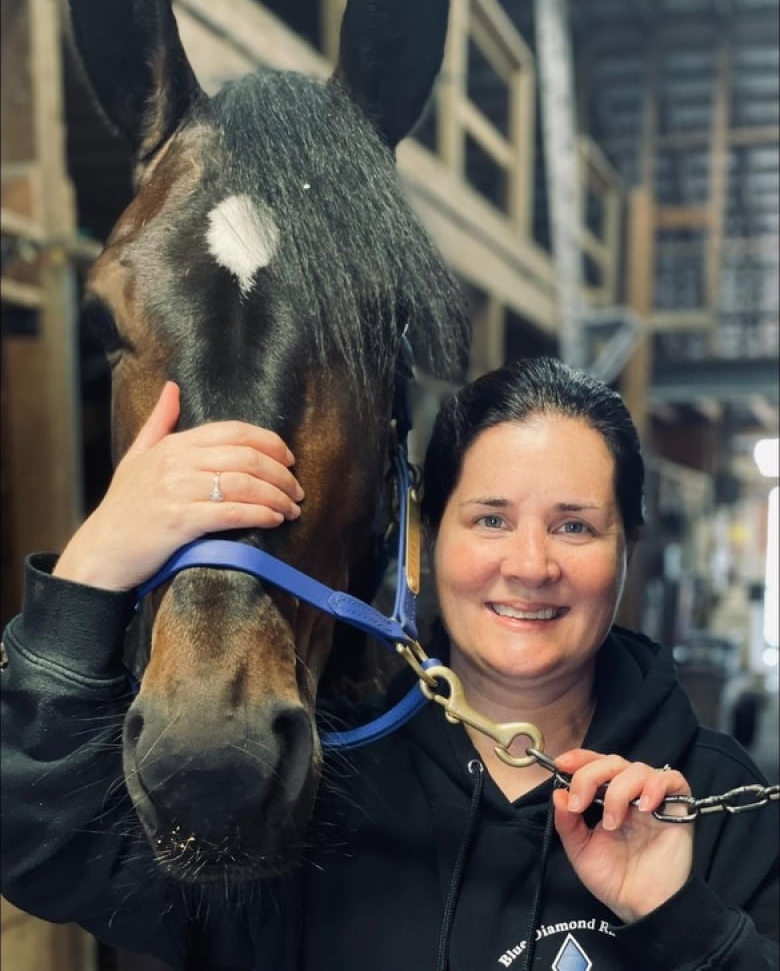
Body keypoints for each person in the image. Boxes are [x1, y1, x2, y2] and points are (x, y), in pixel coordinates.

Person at [1, 359, 777, 971]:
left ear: (627, 551)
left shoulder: (716, 808)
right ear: (427, 536)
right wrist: (92, 566)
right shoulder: (303, 780)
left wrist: (681, 922)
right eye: (491, 518)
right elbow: (42, 845)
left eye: (574, 525)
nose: (531, 564)